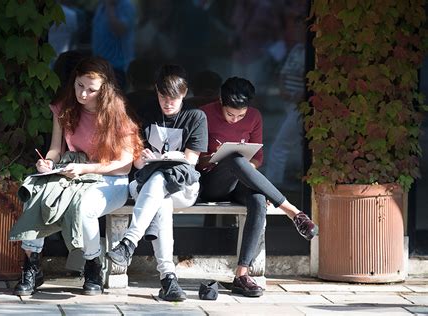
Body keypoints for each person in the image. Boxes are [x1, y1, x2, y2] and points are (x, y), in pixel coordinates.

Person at [11, 57, 142, 296]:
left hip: (109, 180)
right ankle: (32, 266)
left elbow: (123, 165)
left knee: (83, 208)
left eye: (91, 90)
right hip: (73, 174)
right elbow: (56, 149)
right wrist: (48, 162)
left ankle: (93, 265)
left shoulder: (117, 113)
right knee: (35, 194)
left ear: (105, 90)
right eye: (79, 85)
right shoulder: (64, 107)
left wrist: (85, 169)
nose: (83, 94)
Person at [196, 77, 318, 298]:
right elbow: (193, 159)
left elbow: (258, 159)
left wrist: (246, 171)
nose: (235, 120)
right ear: (220, 102)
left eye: (240, 115)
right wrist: (216, 158)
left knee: (259, 200)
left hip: (239, 180)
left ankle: (242, 275)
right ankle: (294, 212)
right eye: (230, 114)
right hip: (211, 181)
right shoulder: (203, 114)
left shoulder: (255, 117)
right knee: (233, 159)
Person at [106, 64, 208, 301]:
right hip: (147, 186)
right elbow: (137, 163)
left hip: (184, 187)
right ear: (156, 91)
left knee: (162, 181)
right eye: (163, 97)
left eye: (174, 98)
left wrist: (163, 160)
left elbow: (191, 161)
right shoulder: (146, 111)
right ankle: (168, 280)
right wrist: (143, 158)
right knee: (161, 194)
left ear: (184, 93)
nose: (168, 103)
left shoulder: (195, 116)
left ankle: (129, 243)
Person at [91, 0, 136, 90]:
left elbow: (119, 30)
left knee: (113, 101)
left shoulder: (126, 6)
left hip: (117, 68)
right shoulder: (103, 5)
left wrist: (110, 7)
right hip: (100, 66)